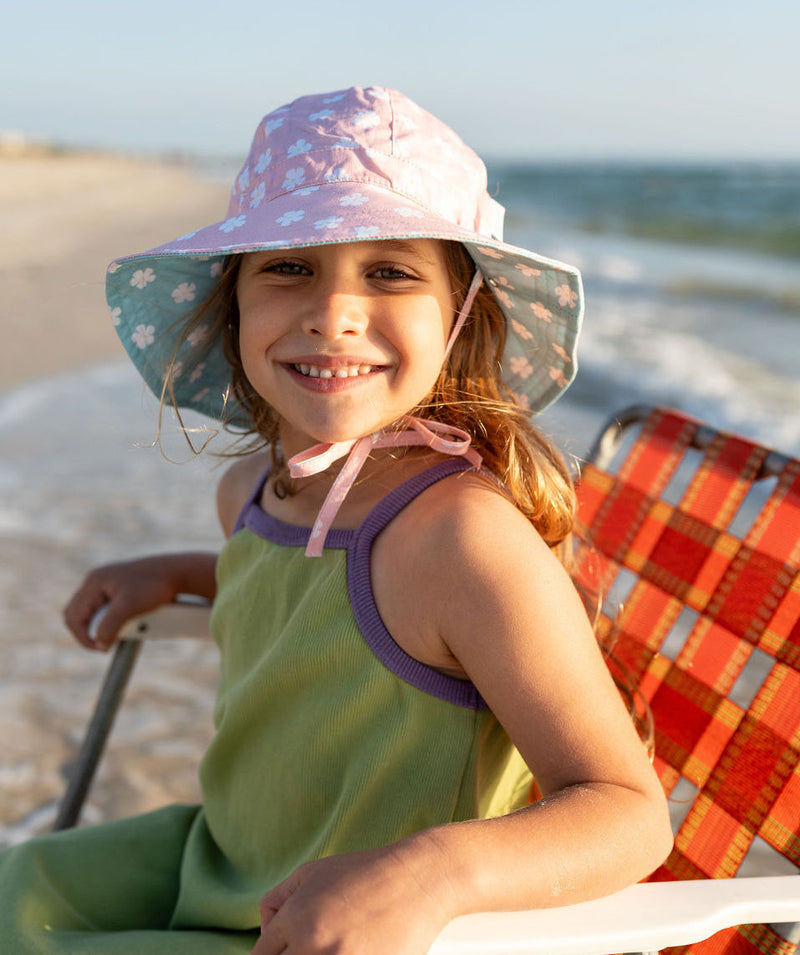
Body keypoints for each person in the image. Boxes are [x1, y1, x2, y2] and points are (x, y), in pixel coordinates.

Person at [0, 86, 672, 954]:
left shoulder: (461, 538)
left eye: (390, 271)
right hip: (231, 854)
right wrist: (186, 569)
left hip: (343, 922)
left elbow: (627, 812)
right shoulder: (252, 489)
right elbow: (318, 607)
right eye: (288, 267)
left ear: (463, 317)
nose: (332, 312)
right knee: (17, 887)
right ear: (231, 304)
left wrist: (430, 874)